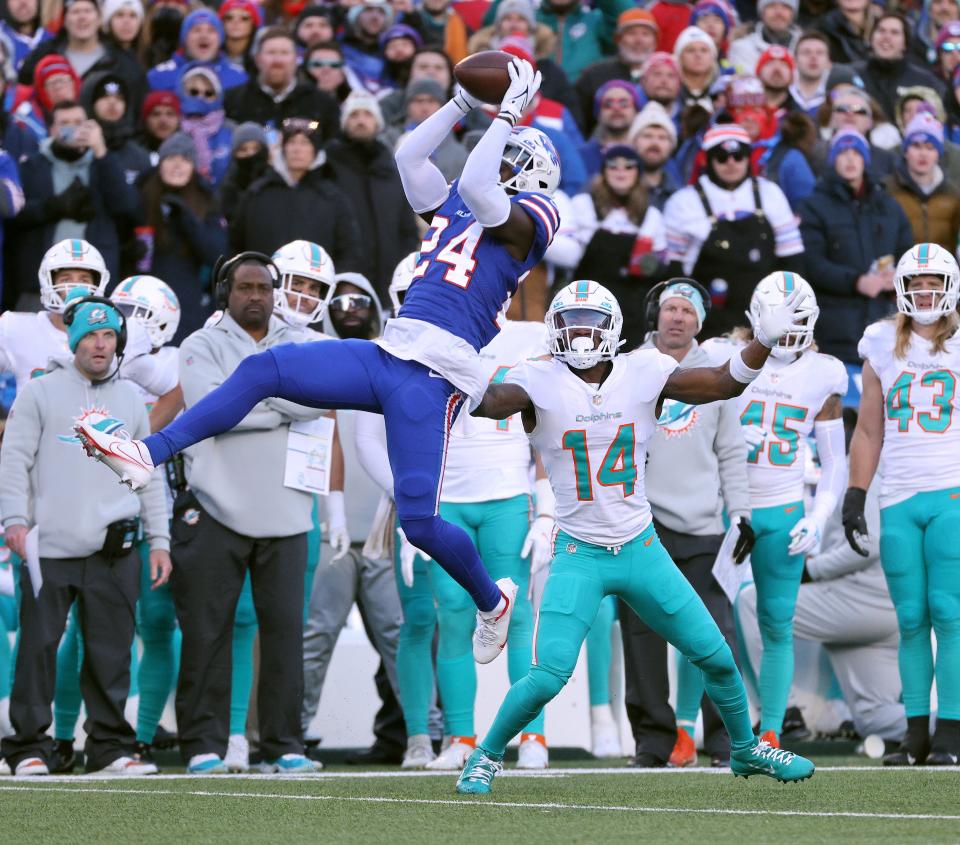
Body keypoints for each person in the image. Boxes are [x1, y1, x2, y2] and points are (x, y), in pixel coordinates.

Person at [76, 58, 560, 667]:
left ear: (537, 171)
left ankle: (492, 601)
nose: (503, 155)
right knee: (264, 370)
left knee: (419, 522)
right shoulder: (461, 205)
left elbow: (486, 188)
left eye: (516, 152)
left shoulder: (538, 216)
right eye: (505, 148)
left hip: (435, 376)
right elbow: (409, 157)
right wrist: (463, 104)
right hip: (391, 351)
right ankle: (149, 453)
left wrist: (508, 112)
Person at [454, 277, 817, 794]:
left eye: (591, 324)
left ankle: (744, 748)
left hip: (641, 546)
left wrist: (762, 342)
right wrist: (450, 359)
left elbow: (722, 383)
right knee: (549, 673)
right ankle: (484, 757)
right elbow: (489, 401)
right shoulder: (537, 376)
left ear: (613, 328)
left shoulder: (643, 369)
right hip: (578, 550)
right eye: (570, 325)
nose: (581, 336)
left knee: (715, 654)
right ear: (554, 331)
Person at [0, 290, 170, 776]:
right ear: (74, 342)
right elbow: (14, 460)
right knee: (37, 650)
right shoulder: (40, 391)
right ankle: (26, 747)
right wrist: (14, 519)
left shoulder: (128, 400)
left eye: (108, 336)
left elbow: (146, 475)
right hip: (48, 546)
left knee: (111, 655)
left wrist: (159, 542)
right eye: (91, 336)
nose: (100, 345)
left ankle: (111, 748)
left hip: (114, 550)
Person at [708, 274, 848, 746]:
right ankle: (688, 730)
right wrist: (724, 440)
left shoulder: (824, 372)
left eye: (798, 321)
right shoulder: (723, 356)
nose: (789, 332)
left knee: (775, 623)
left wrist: (818, 516)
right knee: (701, 623)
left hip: (785, 509)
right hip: (726, 508)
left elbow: (834, 463)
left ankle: (769, 732)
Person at [623, 280, 752, 768]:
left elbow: (731, 451)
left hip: (702, 526)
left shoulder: (720, 374)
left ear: (699, 322)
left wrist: (740, 516)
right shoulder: (628, 368)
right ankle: (653, 742)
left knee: (714, 635)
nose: (677, 317)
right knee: (642, 638)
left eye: (687, 311)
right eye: (670, 309)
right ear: (656, 315)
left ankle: (724, 740)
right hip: (638, 524)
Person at [843, 242, 960, 766]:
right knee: (910, 618)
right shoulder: (880, 342)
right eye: (918, 283)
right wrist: (855, 494)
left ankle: (953, 733)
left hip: (953, 490)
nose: (927, 291)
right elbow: (869, 429)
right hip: (898, 497)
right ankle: (916, 733)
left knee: (949, 613)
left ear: (950, 286)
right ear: (902, 288)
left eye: (935, 282)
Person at [737, 466, 905, 747]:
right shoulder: (873, 465)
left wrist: (813, 569)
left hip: (861, 598)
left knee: (752, 602)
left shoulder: (867, 469)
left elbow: (869, 543)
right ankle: (947, 727)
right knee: (874, 718)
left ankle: (785, 713)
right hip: (883, 608)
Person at [663, 123, 803, 337]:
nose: (731, 163)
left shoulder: (770, 193)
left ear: (748, 158)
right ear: (707, 159)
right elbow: (674, 270)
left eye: (738, 156)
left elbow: (792, 261)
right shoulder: (683, 202)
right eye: (721, 156)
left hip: (764, 319)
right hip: (708, 321)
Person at [799, 128, 913, 364]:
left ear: (865, 159)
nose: (850, 159)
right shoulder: (814, 206)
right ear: (833, 160)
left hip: (886, 322)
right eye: (843, 152)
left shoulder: (889, 206)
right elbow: (813, 264)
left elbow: (907, 252)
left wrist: (899, 276)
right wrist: (856, 281)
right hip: (836, 328)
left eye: (856, 153)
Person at [10, 100, 140, 304]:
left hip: (94, 283)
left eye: (79, 121)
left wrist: (100, 150)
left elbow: (126, 206)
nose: (73, 127)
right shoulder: (32, 165)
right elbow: (16, 215)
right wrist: (54, 206)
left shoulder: (105, 162)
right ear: (52, 129)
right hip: (41, 287)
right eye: (65, 123)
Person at [229, 117, 362, 266]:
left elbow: (348, 251)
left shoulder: (333, 198)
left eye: (304, 143)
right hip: (264, 284)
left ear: (315, 150)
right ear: (283, 148)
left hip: (315, 285)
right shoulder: (257, 193)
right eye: (291, 142)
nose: (297, 149)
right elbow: (236, 245)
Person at [571, 144, 667, 349]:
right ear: (604, 171)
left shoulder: (651, 216)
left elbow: (661, 263)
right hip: (586, 304)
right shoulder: (583, 205)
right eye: (613, 166)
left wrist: (651, 264)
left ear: (638, 172)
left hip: (631, 310)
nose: (620, 171)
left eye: (628, 166)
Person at [326, 91, 420, 298]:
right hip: (343, 283)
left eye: (367, 114)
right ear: (344, 123)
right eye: (354, 115)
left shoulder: (391, 170)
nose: (361, 121)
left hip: (389, 282)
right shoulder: (329, 168)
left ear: (377, 122)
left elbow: (407, 230)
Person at [18, 0, 146, 112]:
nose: (82, 17)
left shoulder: (124, 61)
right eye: (75, 12)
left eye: (88, 11)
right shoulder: (43, 55)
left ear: (99, 19)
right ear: (65, 19)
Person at [223, 27, 339, 139]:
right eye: (271, 53)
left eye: (284, 53)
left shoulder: (323, 103)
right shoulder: (232, 101)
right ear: (257, 59)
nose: (277, 61)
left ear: (296, 59)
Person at [576, 8, 660, 134]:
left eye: (645, 34)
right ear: (618, 39)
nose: (639, 40)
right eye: (631, 33)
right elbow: (580, 120)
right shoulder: (595, 74)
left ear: (655, 41)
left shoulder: (666, 74)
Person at [885, 114, 960, 253]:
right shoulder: (886, 190)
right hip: (901, 270)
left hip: (942, 271)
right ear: (906, 151)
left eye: (930, 147)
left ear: (938, 153)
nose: (923, 154)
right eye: (916, 146)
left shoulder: (954, 193)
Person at [852, 13, 945, 124]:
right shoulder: (852, 75)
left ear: (905, 43)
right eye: (881, 31)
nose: (886, 37)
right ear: (871, 38)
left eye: (894, 32)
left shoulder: (926, 81)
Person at [146, 7, 247, 94]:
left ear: (220, 39)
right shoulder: (159, 76)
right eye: (197, 30)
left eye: (211, 30)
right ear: (184, 38)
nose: (204, 36)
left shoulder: (238, 77)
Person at [175, 62, 234, 188]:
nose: (200, 97)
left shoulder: (231, 130)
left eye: (208, 93)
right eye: (194, 92)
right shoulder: (173, 125)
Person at [629, 101, 682, 210]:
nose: (654, 143)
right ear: (633, 142)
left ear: (671, 146)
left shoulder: (681, 196)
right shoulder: (616, 190)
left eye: (662, 137)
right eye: (647, 136)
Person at [580, 80, 640, 178]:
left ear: (636, 111)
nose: (616, 108)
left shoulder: (647, 154)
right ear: (598, 113)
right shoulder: (582, 156)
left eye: (624, 104)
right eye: (608, 104)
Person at [728, 0, 801, 74]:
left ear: (793, 13)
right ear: (762, 12)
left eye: (785, 7)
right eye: (772, 6)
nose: (779, 12)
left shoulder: (806, 50)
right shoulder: (741, 48)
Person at [789, 31, 831, 117]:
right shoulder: (783, 93)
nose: (813, 57)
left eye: (820, 53)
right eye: (806, 52)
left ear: (829, 62)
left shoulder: (834, 99)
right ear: (794, 61)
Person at [137, 90, 181, 162]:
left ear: (179, 119)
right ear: (146, 120)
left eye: (170, 114)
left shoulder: (188, 152)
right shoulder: (133, 152)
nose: (163, 120)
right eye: (156, 114)